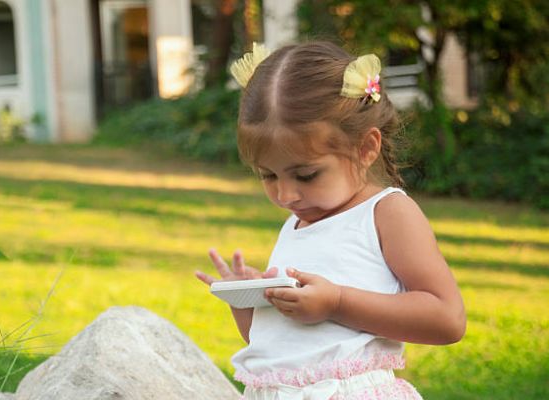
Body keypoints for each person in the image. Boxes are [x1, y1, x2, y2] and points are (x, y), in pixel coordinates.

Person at [195, 41, 466, 399]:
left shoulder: (387, 213)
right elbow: (286, 347)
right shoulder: (296, 223)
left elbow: (446, 319)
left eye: (305, 175)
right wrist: (250, 302)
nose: (286, 195)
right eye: (268, 175)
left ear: (366, 148)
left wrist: (337, 301)